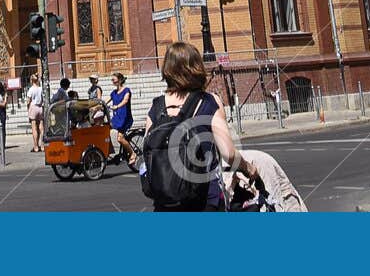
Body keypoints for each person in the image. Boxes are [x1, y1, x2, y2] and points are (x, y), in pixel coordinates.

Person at [139, 42, 258, 212]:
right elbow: (229, 154)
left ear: (167, 69)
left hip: (165, 202)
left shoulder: (156, 107)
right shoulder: (209, 101)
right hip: (204, 200)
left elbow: (147, 153)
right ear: (196, 67)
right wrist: (248, 168)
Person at [108, 71, 136, 164]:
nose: (112, 81)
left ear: (119, 80)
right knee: (104, 130)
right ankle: (109, 152)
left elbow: (125, 100)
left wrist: (117, 106)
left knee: (120, 138)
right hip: (117, 118)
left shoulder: (126, 90)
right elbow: (105, 101)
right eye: (112, 80)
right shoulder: (113, 92)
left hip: (125, 118)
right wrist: (96, 106)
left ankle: (132, 153)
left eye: (114, 80)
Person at [26, 74, 45, 150]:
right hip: (40, 107)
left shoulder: (31, 89)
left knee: (34, 128)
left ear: (31, 80)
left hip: (33, 107)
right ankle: (43, 145)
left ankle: (36, 146)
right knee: (41, 127)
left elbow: (28, 101)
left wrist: (28, 109)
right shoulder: (40, 89)